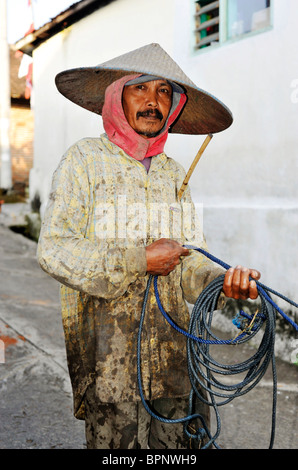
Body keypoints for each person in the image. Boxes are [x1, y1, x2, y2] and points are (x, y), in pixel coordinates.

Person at [37, 43, 260, 449]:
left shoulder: (175, 175)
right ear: (117, 97)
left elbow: (191, 262)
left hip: (177, 363)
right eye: (140, 89)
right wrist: (139, 260)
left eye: (163, 92)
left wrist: (222, 281)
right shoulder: (84, 161)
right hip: (108, 362)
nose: (152, 102)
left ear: (173, 107)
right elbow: (54, 249)